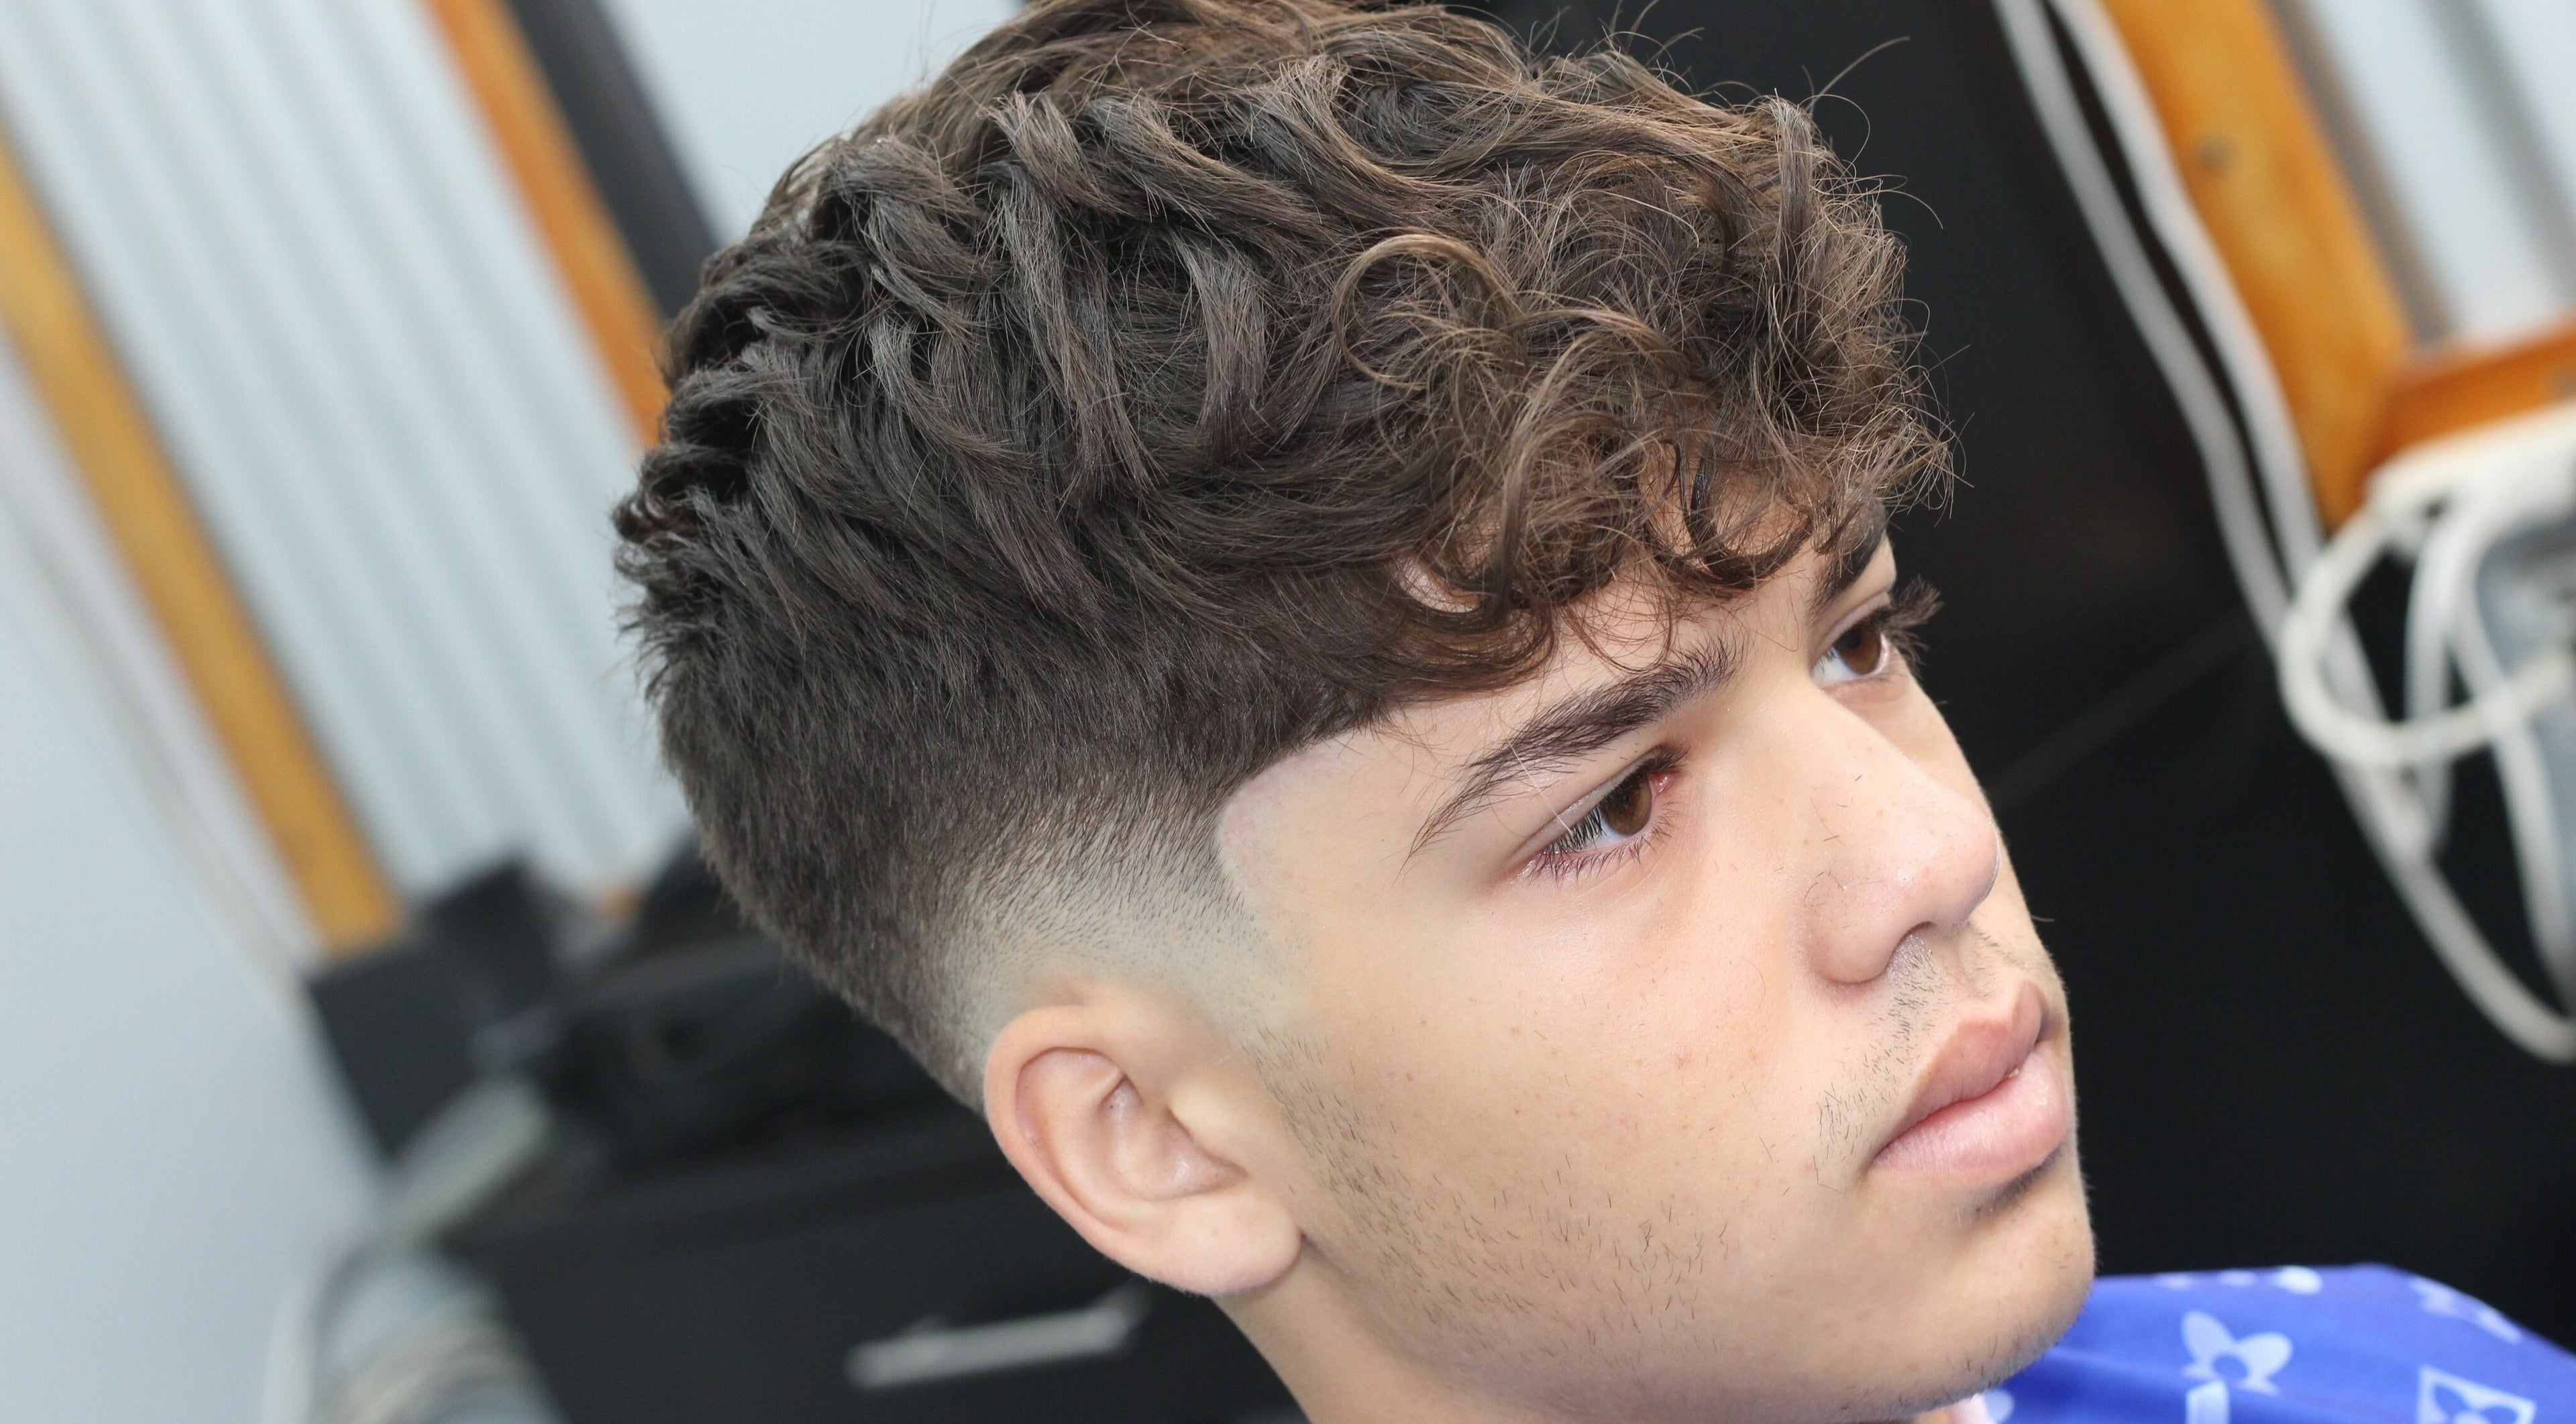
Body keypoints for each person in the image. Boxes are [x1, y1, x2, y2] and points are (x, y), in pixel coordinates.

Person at [611, 1, 2576, 1419]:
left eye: (1857, 643)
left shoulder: (2389, 1369)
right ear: (1157, 1141)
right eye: (1613, 804)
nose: (1932, 854)